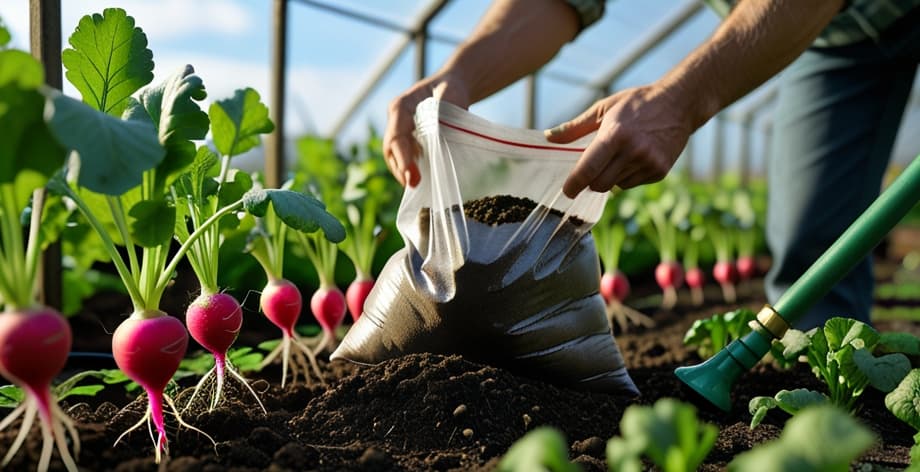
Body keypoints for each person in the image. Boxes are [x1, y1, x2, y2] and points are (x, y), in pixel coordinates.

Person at [382, 0, 920, 330]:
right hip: (842, 39)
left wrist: (680, 101)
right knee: (812, 249)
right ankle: (831, 414)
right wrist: (461, 75)